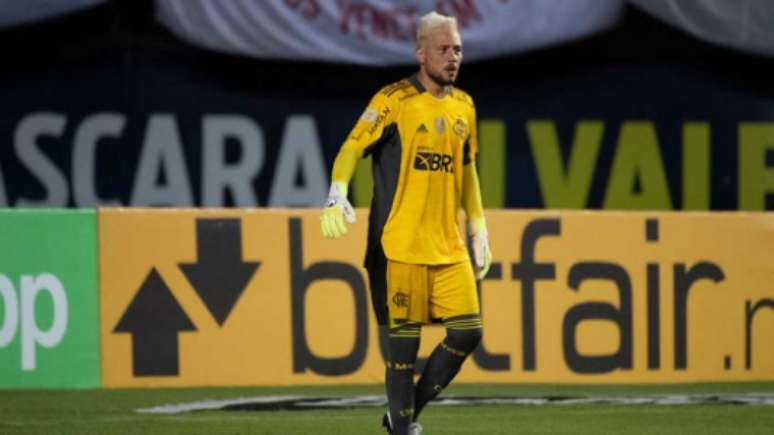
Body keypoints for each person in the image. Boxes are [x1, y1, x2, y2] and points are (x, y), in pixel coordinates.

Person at [320, 11, 491, 435]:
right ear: (420, 53)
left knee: (468, 332)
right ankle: (402, 428)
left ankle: (403, 415)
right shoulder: (394, 100)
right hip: (400, 245)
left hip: (449, 246)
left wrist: (479, 227)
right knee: (403, 350)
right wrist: (337, 190)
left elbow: (467, 171)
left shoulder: (464, 106)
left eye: (458, 49)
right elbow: (351, 148)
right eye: (443, 49)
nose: (453, 57)